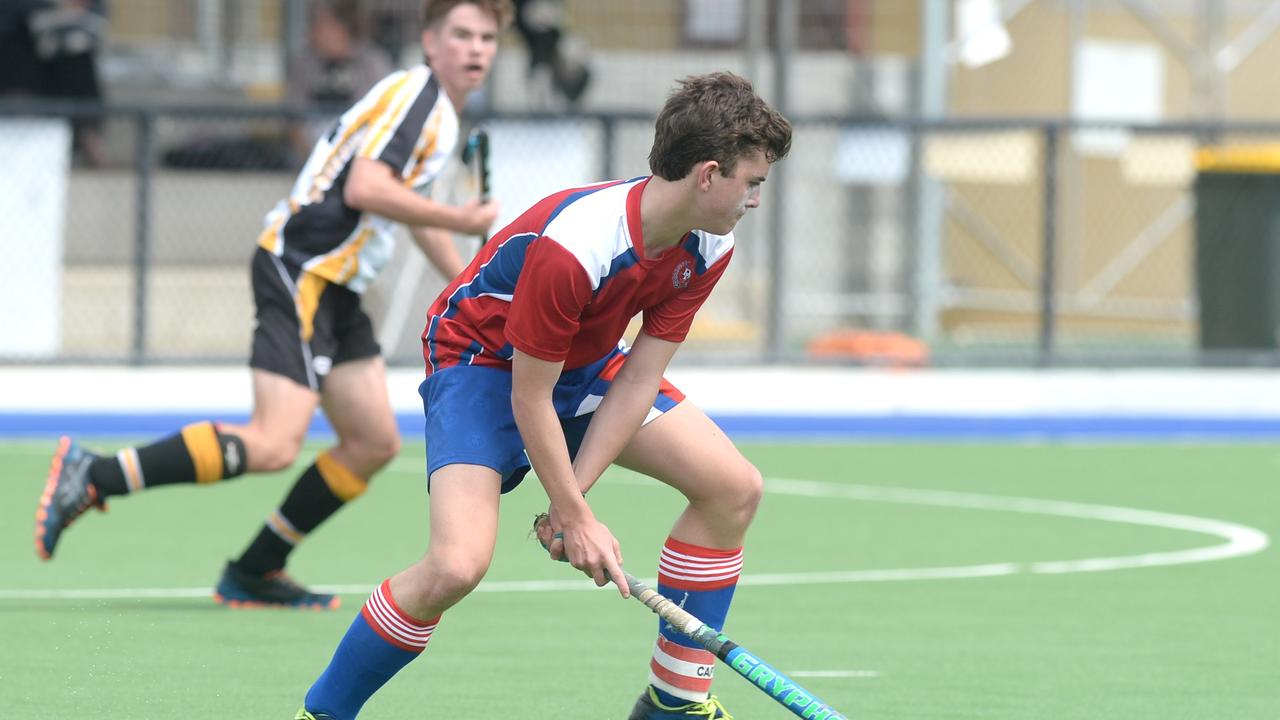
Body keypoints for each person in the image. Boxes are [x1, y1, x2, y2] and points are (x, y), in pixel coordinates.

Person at [293, 71, 792, 720]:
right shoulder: (577, 246)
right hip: (482, 363)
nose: (755, 198)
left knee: (733, 488)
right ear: (706, 174)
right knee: (455, 566)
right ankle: (324, 713)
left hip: (585, 364)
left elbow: (638, 378)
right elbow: (531, 396)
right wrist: (573, 513)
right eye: (751, 182)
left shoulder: (708, 244)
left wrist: (571, 504)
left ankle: (673, 703)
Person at [34, 0, 511, 611]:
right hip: (302, 267)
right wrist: (461, 217)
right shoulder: (417, 97)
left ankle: (255, 571)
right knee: (273, 442)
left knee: (371, 443)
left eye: (487, 38)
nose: (475, 48)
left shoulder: (436, 112)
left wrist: (474, 284)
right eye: (461, 34)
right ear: (428, 39)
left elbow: (403, 206)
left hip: (337, 284)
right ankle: (93, 474)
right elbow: (368, 188)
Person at [286, 0, 394, 165]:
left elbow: (380, 119)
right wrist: (317, 160)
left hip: (360, 156)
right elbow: (294, 121)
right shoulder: (304, 62)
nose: (311, 32)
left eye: (320, 25)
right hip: (310, 160)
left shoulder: (372, 63)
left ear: (341, 28)